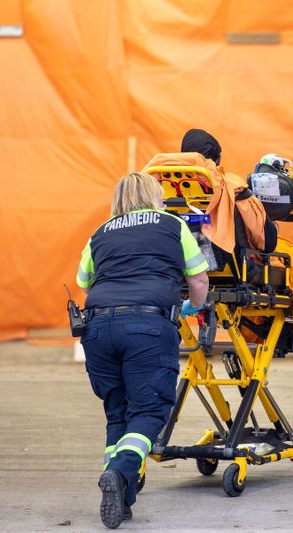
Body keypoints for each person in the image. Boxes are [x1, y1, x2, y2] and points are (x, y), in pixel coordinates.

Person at [76, 172, 209, 528]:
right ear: (155, 195)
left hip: (98, 328)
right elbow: (197, 278)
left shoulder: (100, 232)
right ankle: (119, 473)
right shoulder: (172, 225)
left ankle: (123, 495)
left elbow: (83, 281)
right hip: (147, 326)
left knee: (118, 412)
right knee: (149, 411)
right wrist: (193, 308)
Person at [180, 128, 278, 265]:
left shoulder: (167, 186)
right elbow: (267, 242)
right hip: (232, 268)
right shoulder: (234, 188)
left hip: (182, 267)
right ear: (217, 160)